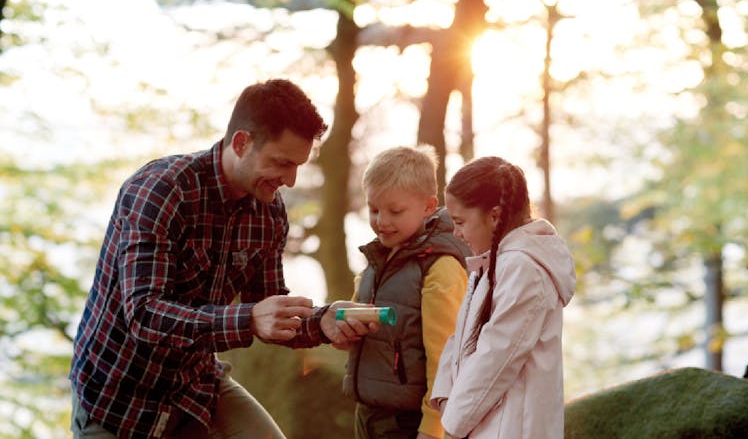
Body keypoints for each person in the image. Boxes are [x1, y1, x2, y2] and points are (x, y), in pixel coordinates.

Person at [69, 79, 375, 439]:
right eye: (281, 163)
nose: (290, 180)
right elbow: (145, 315)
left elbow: (269, 311)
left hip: (195, 388)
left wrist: (324, 322)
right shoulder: (160, 190)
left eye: (297, 166)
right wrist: (249, 319)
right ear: (242, 143)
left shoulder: (269, 213)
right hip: (116, 396)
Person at [431, 156, 576, 439]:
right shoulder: (491, 263)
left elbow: (497, 356)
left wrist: (452, 426)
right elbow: (459, 339)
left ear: (495, 216)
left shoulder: (523, 269)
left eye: (459, 222)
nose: (455, 233)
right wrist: (447, 400)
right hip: (481, 425)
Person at [336, 146, 471, 439]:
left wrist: (433, 427)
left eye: (395, 211)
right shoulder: (378, 260)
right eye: (373, 209)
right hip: (369, 415)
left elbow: (446, 357)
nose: (381, 221)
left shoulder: (440, 267)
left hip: (410, 424)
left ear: (428, 206)